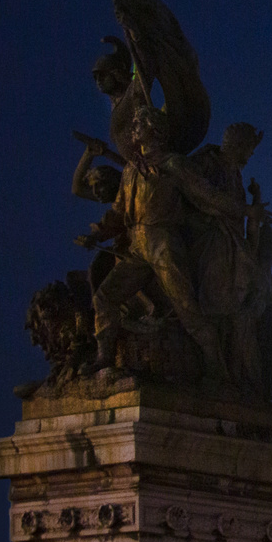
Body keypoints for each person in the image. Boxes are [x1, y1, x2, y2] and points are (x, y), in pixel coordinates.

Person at [82, 105, 239, 381]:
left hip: (164, 244)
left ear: (153, 130)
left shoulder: (172, 165)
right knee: (104, 297)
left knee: (187, 308)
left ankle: (217, 368)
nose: (133, 130)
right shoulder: (131, 170)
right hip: (137, 246)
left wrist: (246, 212)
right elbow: (118, 212)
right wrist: (96, 235)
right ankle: (104, 356)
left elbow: (208, 196)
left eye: (138, 125)